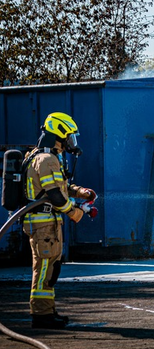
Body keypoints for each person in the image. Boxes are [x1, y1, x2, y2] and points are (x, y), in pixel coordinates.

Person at [23, 112, 96, 329]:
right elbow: (55, 196)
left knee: (51, 269)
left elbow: (61, 187)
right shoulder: (46, 159)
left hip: (49, 223)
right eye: (70, 136)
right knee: (45, 268)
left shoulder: (49, 157)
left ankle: (47, 310)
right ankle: (41, 315)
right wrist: (75, 213)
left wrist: (82, 193)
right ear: (59, 134)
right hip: (43, 224)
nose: (72, 141)